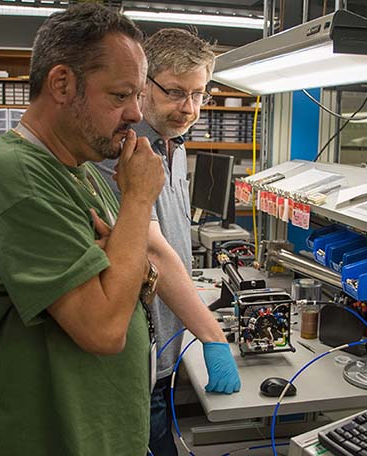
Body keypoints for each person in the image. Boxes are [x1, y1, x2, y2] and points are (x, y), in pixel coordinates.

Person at [0, 5, 163, 455]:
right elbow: (105, 328)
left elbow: (137, 278)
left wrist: (121, 266)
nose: (135, 114)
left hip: (100, 434)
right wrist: (139, 201)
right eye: (120, 95)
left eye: (139, 96)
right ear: (63, 84)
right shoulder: (16, 180)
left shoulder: (82, 171)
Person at [93, 28, 241, 456]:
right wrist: (214, 336)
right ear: (142, 86)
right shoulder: (125, 150)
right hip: (138, 357)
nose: (189, 108)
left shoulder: (172, 146)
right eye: (176, 92)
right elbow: (152, 248)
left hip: (167, 353)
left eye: (199, 94)